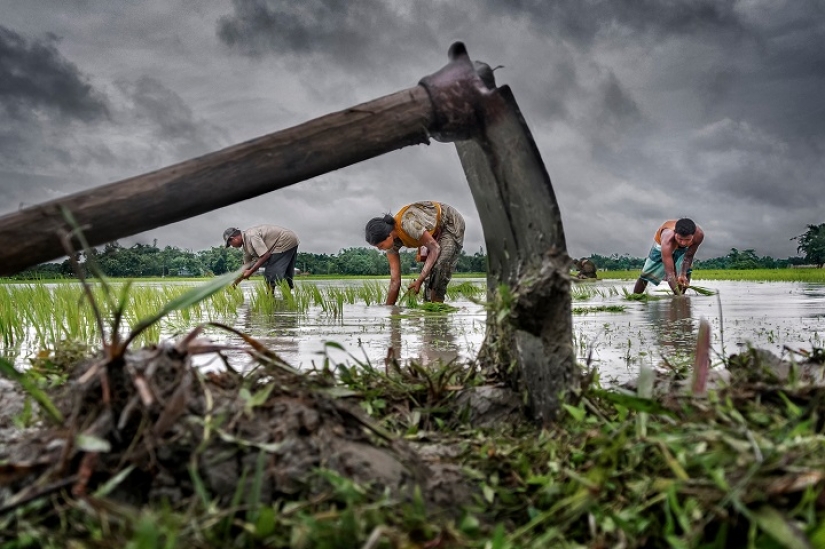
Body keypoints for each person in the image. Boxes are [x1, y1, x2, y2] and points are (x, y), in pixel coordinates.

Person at [365, 200, 465, 305]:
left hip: (449, 222)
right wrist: (390, 311)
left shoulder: (408, 224)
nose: (380, 250)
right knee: (429, 279)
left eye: (380, 246)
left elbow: (435, 249)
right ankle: (429, 309)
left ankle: (437, 311)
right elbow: (395, 281)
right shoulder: (391, 247)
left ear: (389, 235)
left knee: (440, 267)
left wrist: (419, 279)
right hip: (430, 232)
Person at [633, 218, 704, 294]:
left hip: (683, 250)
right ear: (675, 233)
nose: (683, 243)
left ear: (693, 236)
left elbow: (688, 257)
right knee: (646, 275)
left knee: (684, 275)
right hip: (662, 246)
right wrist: (679, 298)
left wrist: (683, 274)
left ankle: (681, 295)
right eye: (680, 239)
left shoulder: (699, 235)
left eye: (687, 239)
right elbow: (670, 274)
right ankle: (635, 297)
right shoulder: (667, 238)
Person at [223, 224, 300, 289]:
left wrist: (251, 271)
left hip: (284, 240)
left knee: (270, 273)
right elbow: (245, 268)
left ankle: (270, 299)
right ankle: (286, 299)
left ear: (233, 239)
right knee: (285, 275)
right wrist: (234, 285)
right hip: (291, 240)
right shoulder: (246, 247)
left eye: (230, 244)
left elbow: (265, 255)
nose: (232, 246)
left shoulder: (251, 236)